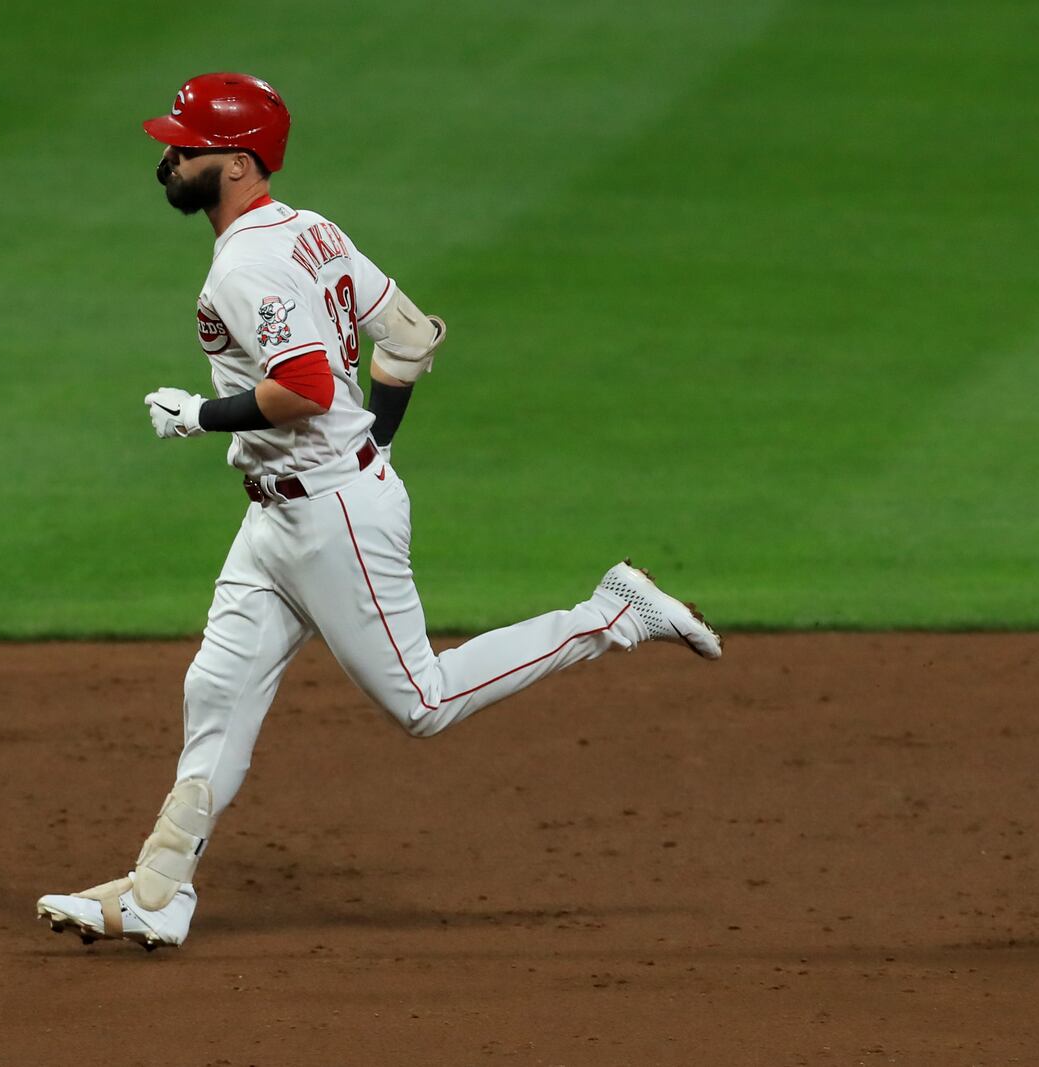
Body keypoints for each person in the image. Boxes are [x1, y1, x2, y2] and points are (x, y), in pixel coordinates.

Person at [37, 73, 723, 951]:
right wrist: (382, 440)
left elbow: (309, 389)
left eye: (186, 146)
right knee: (216, 689)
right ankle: (160, 890)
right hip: (282, 519)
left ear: (238, 164)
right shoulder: (310, 230)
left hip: (331, 519)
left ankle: (613, 614)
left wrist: (197, 416)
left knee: (422, 701)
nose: (167, 158)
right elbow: (408, 335)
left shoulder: (247, 266)